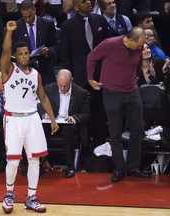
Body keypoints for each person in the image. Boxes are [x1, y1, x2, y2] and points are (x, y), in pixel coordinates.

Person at [0, 20, 59, 214]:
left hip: (32, 118)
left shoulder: (36, 74)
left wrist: (52, 119)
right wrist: (9, 32)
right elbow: (5, 51)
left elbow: (42, 97)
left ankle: (31, 198)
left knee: (34, 161)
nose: (25, 56)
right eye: (21, 54)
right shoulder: (8, 70)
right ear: (15, 57)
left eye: (27, 53)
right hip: (14, 119)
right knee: (14, 161)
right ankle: (9, 194)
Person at [87, 27, 151, 182]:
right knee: (115, 133)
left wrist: (136, 77)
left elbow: (137, 64)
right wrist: (90, 78)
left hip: (132, 92)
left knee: (138, 131)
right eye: (139, 44)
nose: (141, 47)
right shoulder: (110, 44)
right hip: (112, 93)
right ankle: (119, 168)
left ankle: (133, 167)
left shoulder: (138, 47)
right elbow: (91, 57)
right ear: (129, 39)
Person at [60, 0, 109, 151]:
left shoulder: (100, 20)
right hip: (80, 80)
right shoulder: (67, 26)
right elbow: (66, 56)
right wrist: (70, 81)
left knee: (100, 116)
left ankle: (100, 151)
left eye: (89, 0)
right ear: (75, 6)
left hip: (100, 77)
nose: (88, 2)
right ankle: (84, 152)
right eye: (83, 1)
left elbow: (108, 46)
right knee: (82, 118)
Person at [41, 69, 91, 178]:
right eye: (60, 85)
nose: (63, 88)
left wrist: (75, 118)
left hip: (69, 125)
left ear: (71, 81)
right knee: (40, 130)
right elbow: (40, 106)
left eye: (66, 86)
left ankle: (70, 166)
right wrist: (45, 114)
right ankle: (39, 164)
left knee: (68, 131)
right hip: (52, 122)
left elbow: (87, 114)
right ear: (56, 80)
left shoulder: (81, 93)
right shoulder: (48, 89)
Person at [11, 0, 59, 86]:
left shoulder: (47, 24)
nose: (28, 19)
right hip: (25, 72)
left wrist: (48, 51)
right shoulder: (16, 27)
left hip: (46, 71)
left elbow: (57, 45)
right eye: (24, 17)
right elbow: (12, 50)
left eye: (29, 16)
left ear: (34, 10)